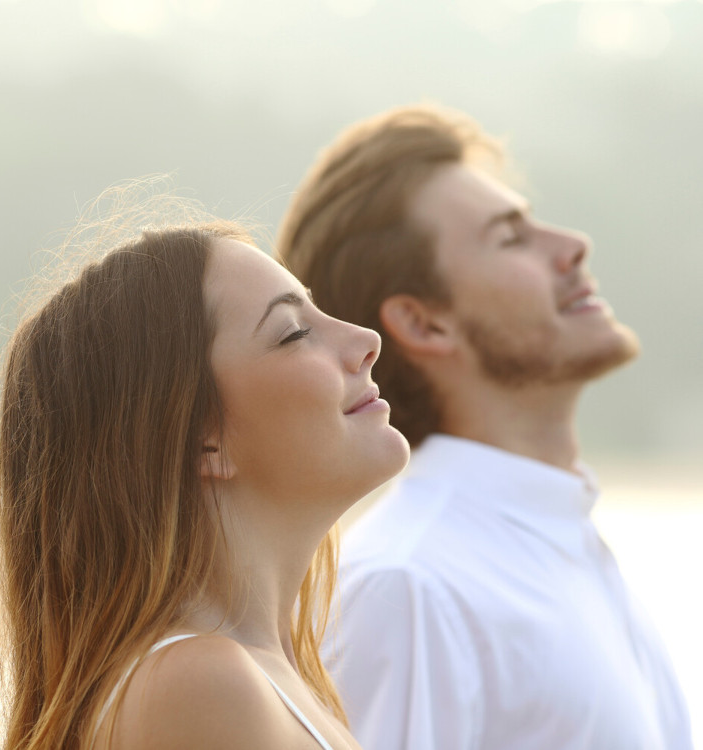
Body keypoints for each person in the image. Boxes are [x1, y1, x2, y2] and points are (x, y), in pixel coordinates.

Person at [278, 104, 693, 750]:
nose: (573, 245)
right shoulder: (410, 586)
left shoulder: (558, 543)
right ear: (424, 324)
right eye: (511, 237)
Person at [0, 211, 410, 749]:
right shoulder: (197, 685)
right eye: (295, 332)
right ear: (202, 440)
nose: (366, 339)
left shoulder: (275, 678)